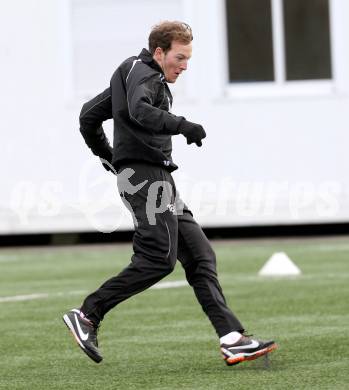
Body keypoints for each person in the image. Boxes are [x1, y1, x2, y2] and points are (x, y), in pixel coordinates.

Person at [62, 21, 277, 366]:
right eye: (180, 57)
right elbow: (139, 110)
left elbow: (89, 116)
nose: (185, 65)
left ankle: (232, 338)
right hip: (146, 176)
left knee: (199, 255)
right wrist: (182, 124)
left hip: (155, 177)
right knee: (159, 258)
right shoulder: (143, 72)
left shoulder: (132, 73)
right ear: (159, 52)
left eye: (188, 59)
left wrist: (109, 158)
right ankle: (88, 314)